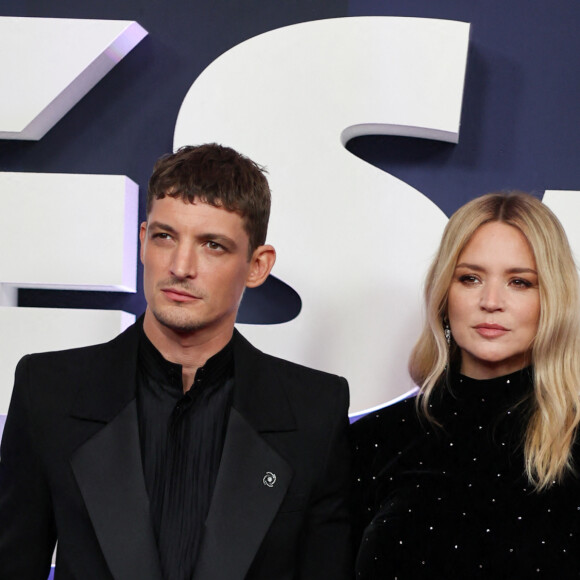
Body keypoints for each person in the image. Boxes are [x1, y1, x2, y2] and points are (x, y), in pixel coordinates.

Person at [0, 144, 352, 580]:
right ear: (143, 241)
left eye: (213, 245)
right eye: (165, 237)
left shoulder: (315, 410)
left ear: (257, 266)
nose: (181, 266)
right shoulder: (47, 391)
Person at [351, 192, 580, 578]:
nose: (491, 301)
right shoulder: (374, 439)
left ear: (553, 300)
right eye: (470, 278)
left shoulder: (573, 438)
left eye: (520, 282)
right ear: (444, 294)